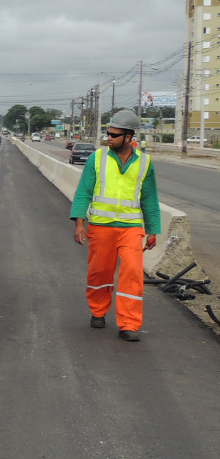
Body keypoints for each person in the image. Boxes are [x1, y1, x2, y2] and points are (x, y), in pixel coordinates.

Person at [70, 109, 160, 341]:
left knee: (132, 273)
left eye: (114, 134)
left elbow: (149, 198)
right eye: (108, 133)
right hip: (101, 226)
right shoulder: (96, 158)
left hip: (131, 228)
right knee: (100, 272)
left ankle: (129, 324)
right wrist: (79, 222)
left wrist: (152, 230)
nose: (109, 137)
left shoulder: (145, 162)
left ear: (128, 137)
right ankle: (98, 311)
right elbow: (83, 193)